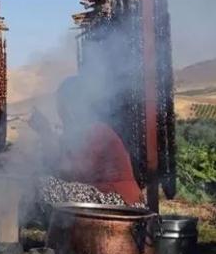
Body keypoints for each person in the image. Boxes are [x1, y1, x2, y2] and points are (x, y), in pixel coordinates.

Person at [31, 75, 142, 204]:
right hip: (103, 194)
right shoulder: (80, 133)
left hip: (118, 198)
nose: (61, 114)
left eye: (61, 107)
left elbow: (73, 172)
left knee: (43, 186)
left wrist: (46, 133)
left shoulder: (97, 131)